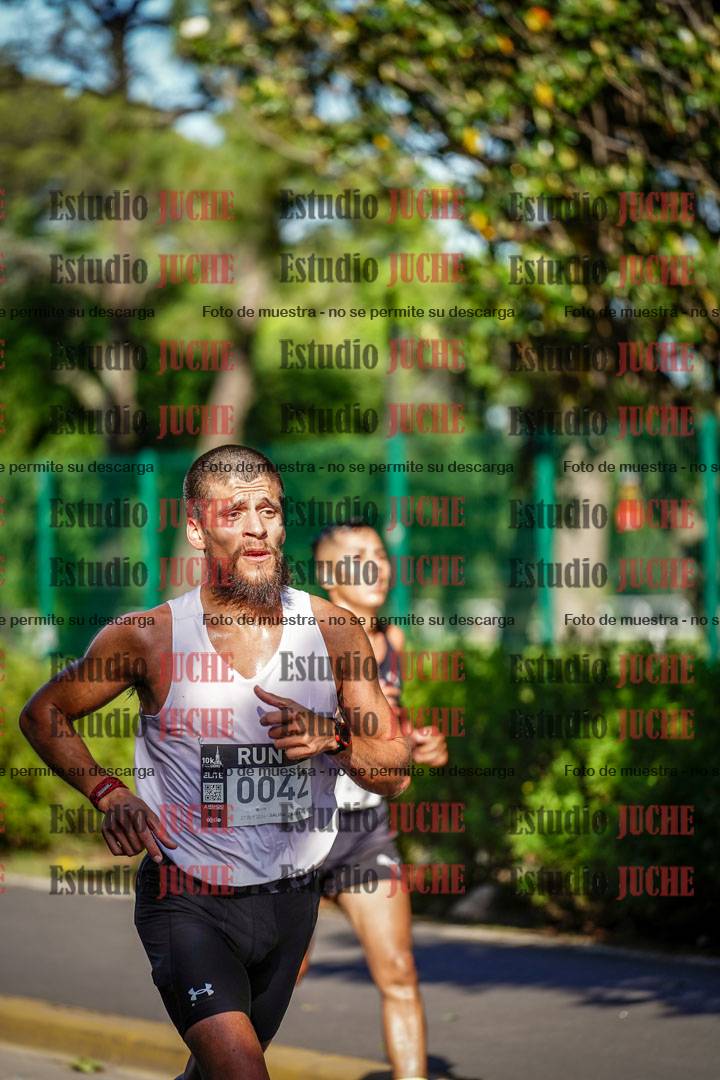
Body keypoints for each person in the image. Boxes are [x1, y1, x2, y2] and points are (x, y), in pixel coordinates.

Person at [19, 444, 411, 1080]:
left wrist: (334, 738)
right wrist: (109, 793)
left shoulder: (334, 631)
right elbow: (45, 713)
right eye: (235, 513)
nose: (257, 528)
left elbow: (394, 771)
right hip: (188, 899)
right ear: (198, 529)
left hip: (291, 898)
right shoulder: (149, 636)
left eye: (269, 511)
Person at [298, 520, 448, 1080]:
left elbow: (390, 728)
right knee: (277, 981)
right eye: (358, 556)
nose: (377, 567)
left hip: (364, 833)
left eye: (380, 555)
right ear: (328, 575)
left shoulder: (392, 640)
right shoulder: (302, 641)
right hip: (295, 831)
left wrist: (418, 745)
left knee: (400, 971)